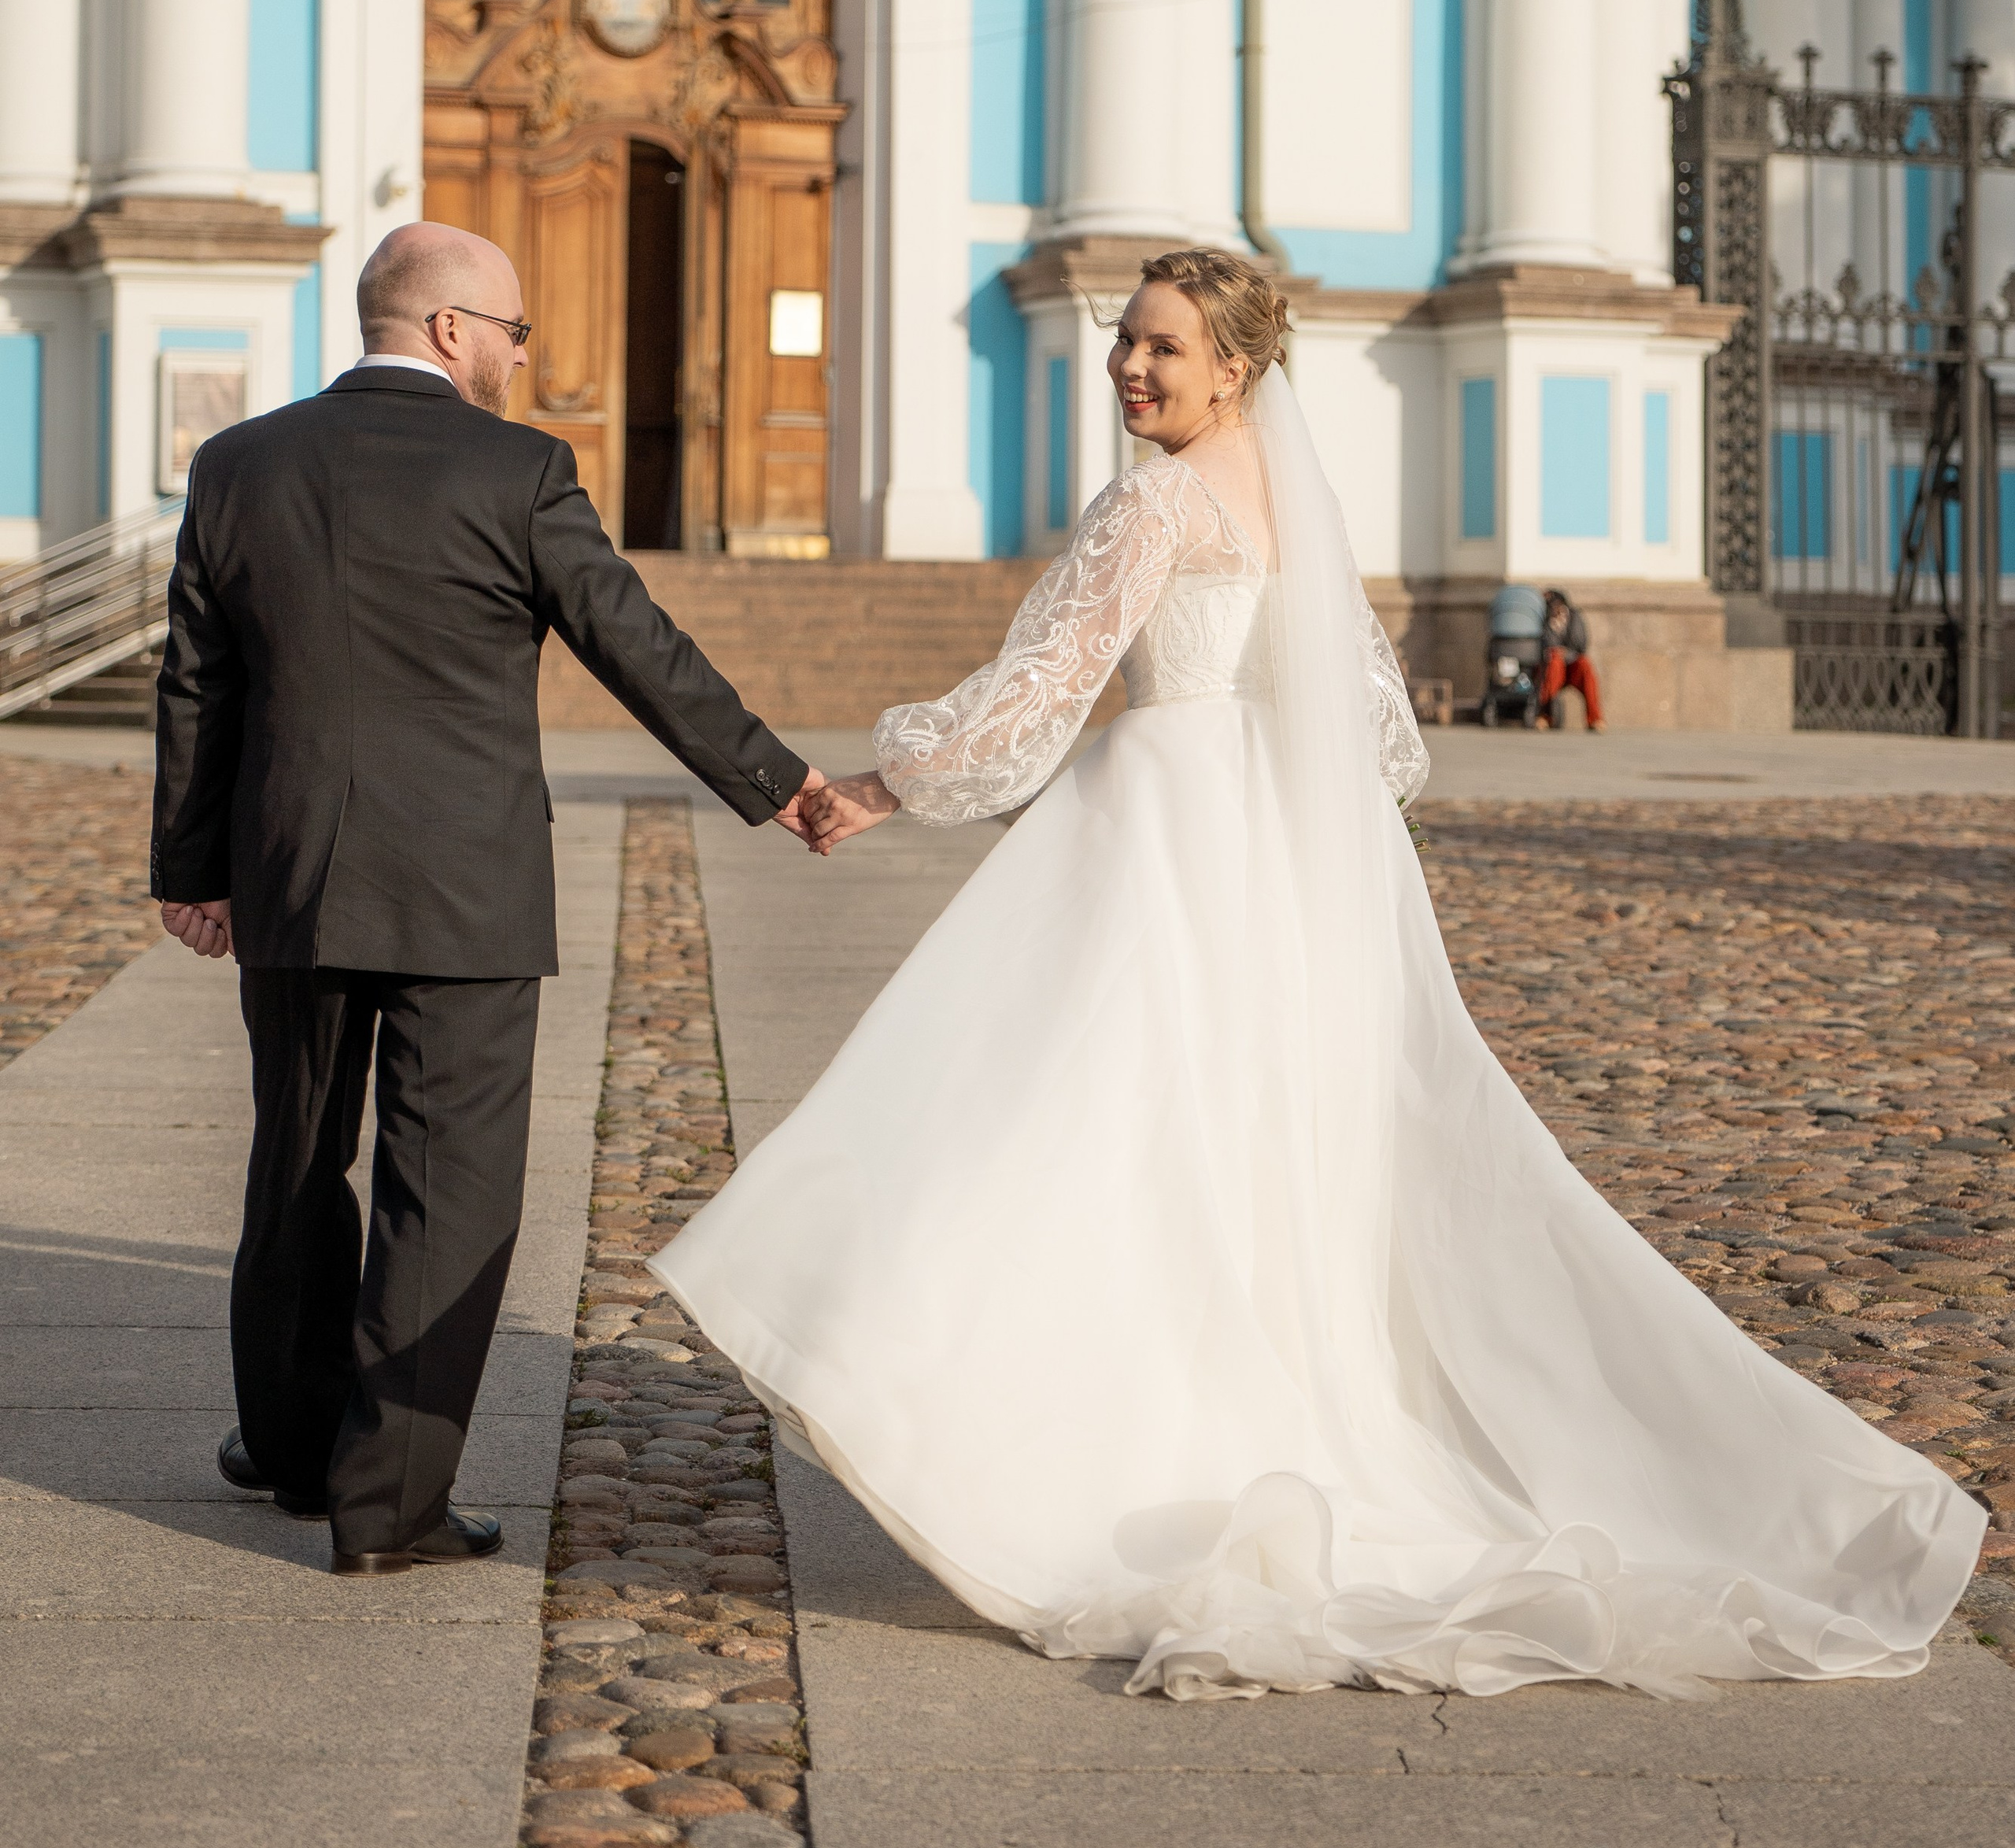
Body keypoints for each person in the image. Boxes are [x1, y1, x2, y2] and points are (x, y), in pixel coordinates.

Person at [654, 247, 1982, 1701]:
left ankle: (1025, 1421)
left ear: (1235, 367)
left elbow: (1043, 687)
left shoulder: (1158, 497)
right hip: (1268, 854)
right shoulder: (1300, 500)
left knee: (1066, 1124)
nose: (1132, 370)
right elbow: (1381, 742)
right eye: (1125, 344)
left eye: (1162, 347)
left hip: (1159, 831)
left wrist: (883, 785)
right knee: (1231, 1151)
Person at [151, 221, 829, 1574]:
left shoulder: (238, 464)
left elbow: (199, 681)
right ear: (452, 329)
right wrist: (777, 780)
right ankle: (387, 1504)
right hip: (465, 886)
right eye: (517, 331)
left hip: (289, 874)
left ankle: (289, 1450)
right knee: (445, 1191)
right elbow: (635, 643)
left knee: (295, 1157)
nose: (526, 356)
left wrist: (193, 870)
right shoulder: (519, 470)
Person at [1538, 586, 1604, 732]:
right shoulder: (1543, 620)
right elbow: (1543, 645)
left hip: (1571, 664)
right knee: (1554, 662)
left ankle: (1595, 719)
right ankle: (1545, 715)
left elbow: (1581, 645)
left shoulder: (1574, 617)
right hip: (1551, 667)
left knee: (1585, 665)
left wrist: (1565, 652)